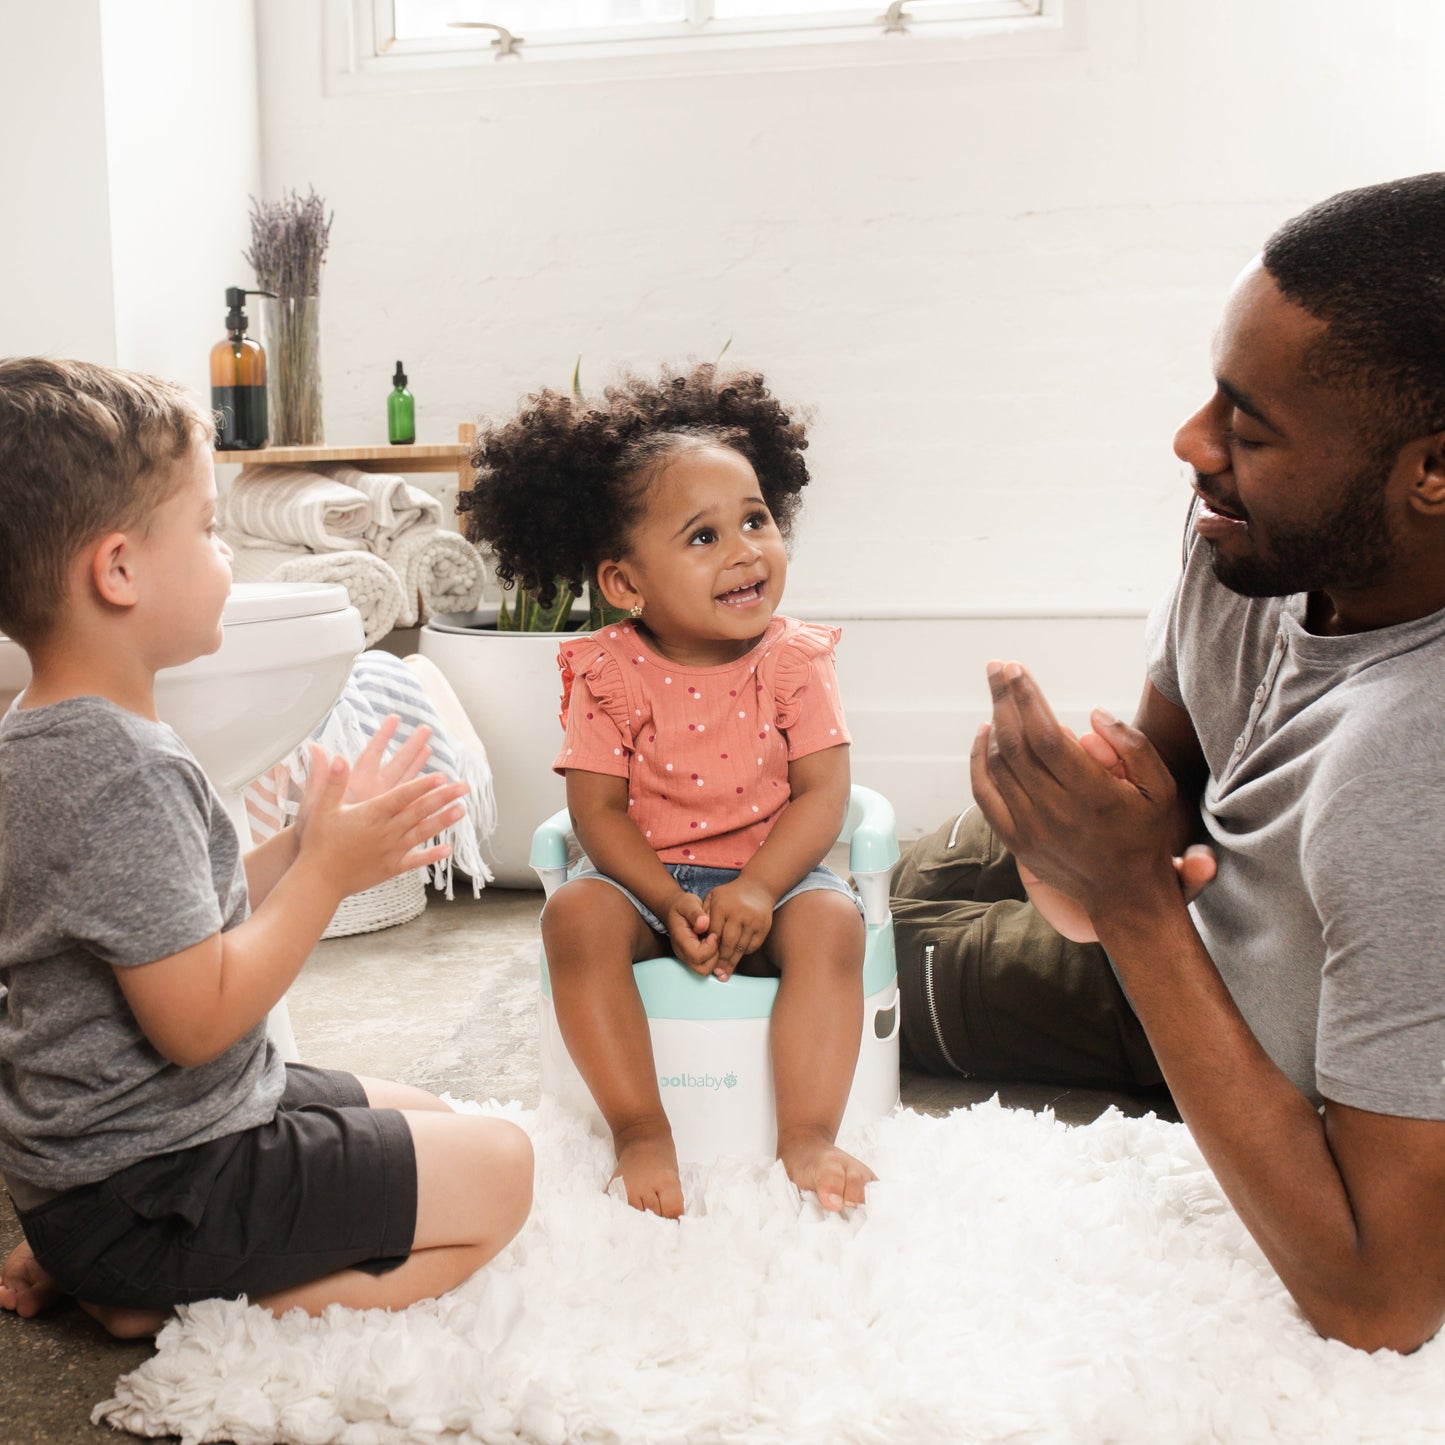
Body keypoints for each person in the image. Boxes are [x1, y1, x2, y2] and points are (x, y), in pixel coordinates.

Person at [902, 173, 1445, 1353]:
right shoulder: (1246, 538)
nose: (1191, 442)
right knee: (884, 860)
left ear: (1432, 472)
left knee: (847, 945)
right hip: (1168, 899)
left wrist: (1130, 901)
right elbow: (1152, 783)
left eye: (1247, 428)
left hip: (1193, 1001)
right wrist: (1078, 846)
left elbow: (1381, 1301)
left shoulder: (1414, 767)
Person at [0, 358, 533, 1338]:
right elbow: (197, 1019)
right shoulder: (123, 769)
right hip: (159, 1180)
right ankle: (167, 1307)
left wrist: (296, 847)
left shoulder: (38, 734)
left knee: (430, 1114)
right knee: (501, 1170)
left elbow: (160, 927)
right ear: (117, 570)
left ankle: (93, 1255)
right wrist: (324, 878)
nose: (227, 557)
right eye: (206, 528)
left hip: (102, 1166)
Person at [460, 363, 872, 1219]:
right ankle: (640, 1126)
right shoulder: (608, 672)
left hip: (776, 879)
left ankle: (808, 1131)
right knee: (572, 916)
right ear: (624, 583)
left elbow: (821, 795)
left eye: (754, 519)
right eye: (702, 537)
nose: (744, 550)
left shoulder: (793, 660)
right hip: (648, 887)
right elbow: (596, 812)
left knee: (834, 922)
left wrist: (761, 887)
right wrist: (660, 897)